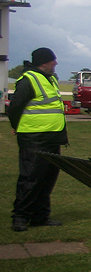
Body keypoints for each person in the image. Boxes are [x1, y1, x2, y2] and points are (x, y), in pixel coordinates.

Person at [9, 47, 68, 232]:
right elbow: (15, 107)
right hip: (34, 138)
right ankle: (20, 217)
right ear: (44, 62)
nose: (56, 63)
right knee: (31, 178)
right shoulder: (28, 80)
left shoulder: (49, 79)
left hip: (52, 137)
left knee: (47, 179)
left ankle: (40, 216)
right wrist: (16, 126)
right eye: (53, 60)